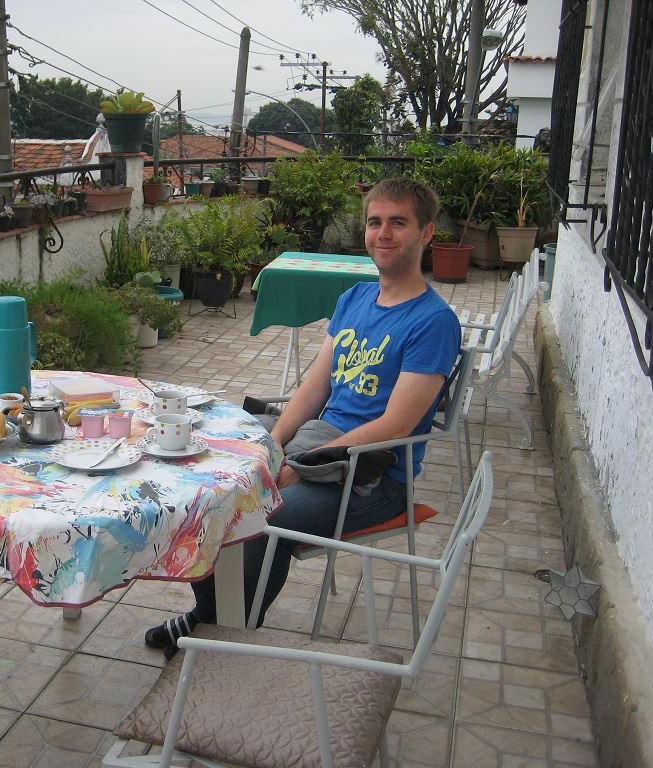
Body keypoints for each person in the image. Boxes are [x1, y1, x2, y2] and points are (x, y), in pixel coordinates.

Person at [145, 177, 462, 659]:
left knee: (260, 520)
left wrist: (303, 464)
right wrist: (272, 447)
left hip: (374, 476)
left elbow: (396, 425)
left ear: (427, 233)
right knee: (214, 491)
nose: (383, 234)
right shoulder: (355, 298)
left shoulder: (433, 321)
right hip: (321, 448)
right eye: (375, 222)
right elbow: (314, 387)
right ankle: (210, 616)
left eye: (398, 223)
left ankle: (224, 638)